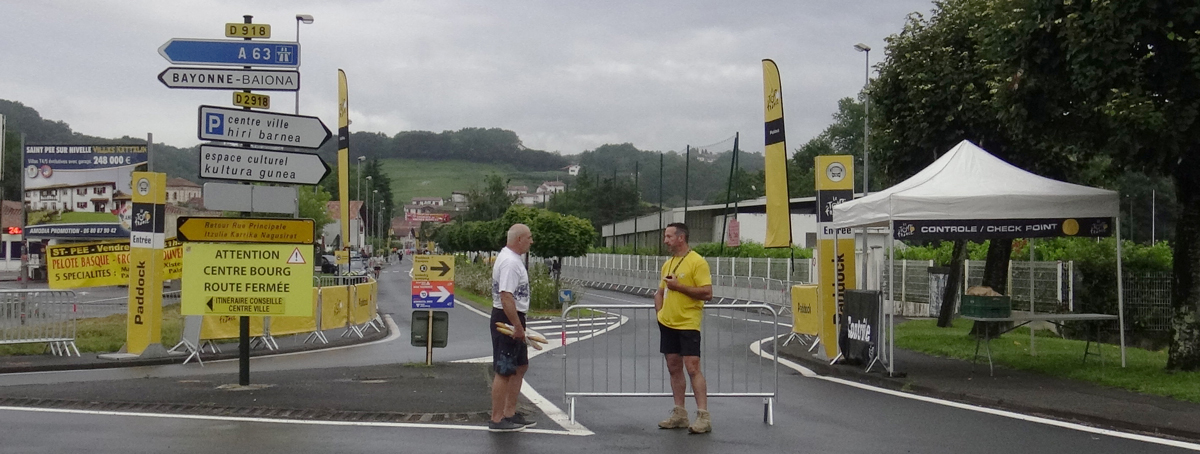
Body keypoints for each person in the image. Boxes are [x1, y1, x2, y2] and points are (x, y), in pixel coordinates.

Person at [654, 222, 713, 434]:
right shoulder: (668, 264)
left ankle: (703, 416)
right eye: (665, 236)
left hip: (688, 323)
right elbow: (660, 292)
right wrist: (660, 313)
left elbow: (707, 293)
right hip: (668, 323)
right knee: (673, 367)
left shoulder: (697, 262)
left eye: (669, 236)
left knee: (692, 367)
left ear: (681, 237)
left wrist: (679, 287)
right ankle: (679, 413)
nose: (665, 240)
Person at [488, 223, 535, 433]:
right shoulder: (509, 262)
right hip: (506, 317)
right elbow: (506, 296)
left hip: (514, 317)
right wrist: (516, 325)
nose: (531, 241)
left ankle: (509, 412)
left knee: (520, 365)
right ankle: (497, 419)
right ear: (519, 239)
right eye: (529, 237)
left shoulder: (513, 259)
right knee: (504, 369)